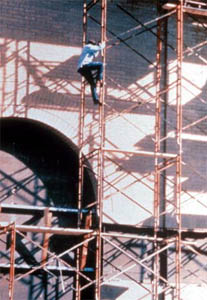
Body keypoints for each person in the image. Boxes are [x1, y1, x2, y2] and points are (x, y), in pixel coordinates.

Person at [77, 40, 105, 105]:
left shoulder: (89, 49)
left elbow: (95, 54)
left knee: (93, 83)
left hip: (82, 68)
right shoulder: (88, 46)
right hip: (84, 65)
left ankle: (95, 99)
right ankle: (99, 79)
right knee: (100, 65)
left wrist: (99, 46)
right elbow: (99, 48)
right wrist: (102, 44)